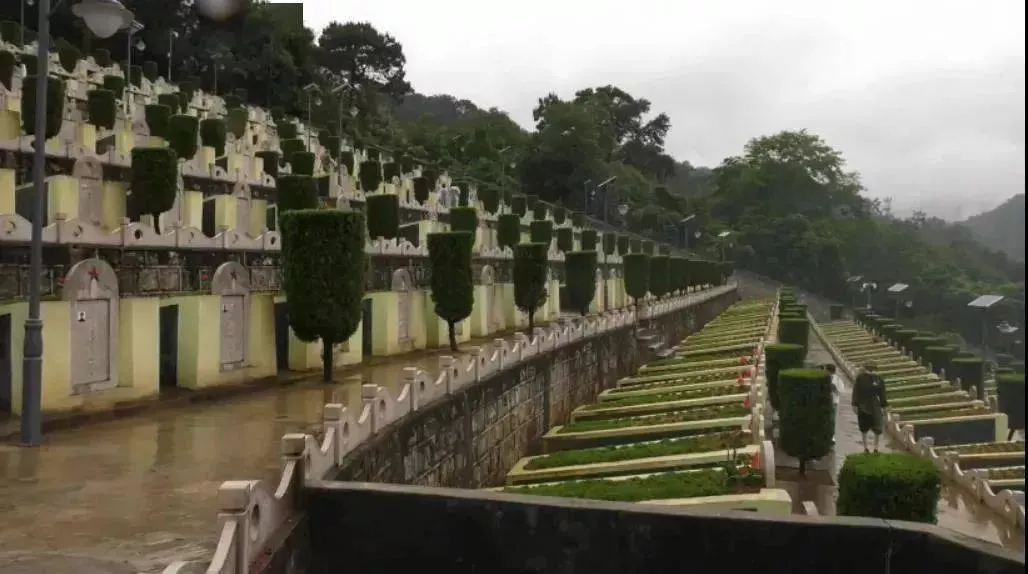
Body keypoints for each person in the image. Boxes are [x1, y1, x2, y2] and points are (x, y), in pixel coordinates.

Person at [852, 362, 888, 453]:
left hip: (872, 405)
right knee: (865, 427)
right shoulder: (861, 378)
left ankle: (874, 448)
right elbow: (856, 391)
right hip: (865, 404)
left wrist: (884, 406)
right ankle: (868, 448)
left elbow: (882, 394)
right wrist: (854, 404)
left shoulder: (878, 379)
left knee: (875, 427)